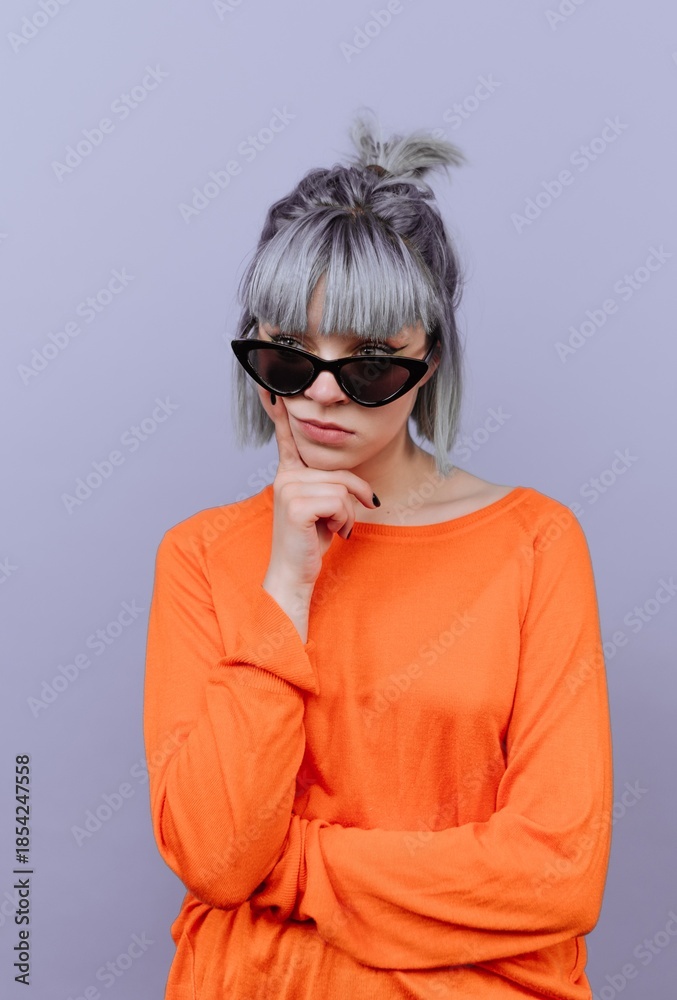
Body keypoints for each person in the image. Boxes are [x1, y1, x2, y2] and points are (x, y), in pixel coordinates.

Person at [143, 110, 613, 999]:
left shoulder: (534, 543)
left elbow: (557, 872)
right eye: (288, 355)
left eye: (368, 365)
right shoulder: (201, 557)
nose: (321, 395)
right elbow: (215, 855)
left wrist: (289, 869)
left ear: (428, 364)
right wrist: (286, 581)